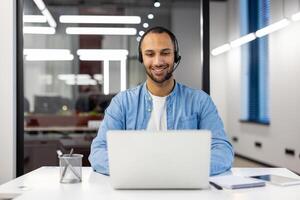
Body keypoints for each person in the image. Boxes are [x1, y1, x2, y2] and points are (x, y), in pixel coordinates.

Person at [89, 26, 234, 176]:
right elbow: (98, 151)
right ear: (141, 58)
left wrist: (181, 171)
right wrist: (139, 171)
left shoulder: (200, 101)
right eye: (150, 54)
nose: (158, 62)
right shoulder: (122, 103)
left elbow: (223, 151)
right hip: (137, 186)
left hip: (184, 186)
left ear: (175, 56)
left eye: (165, 53)